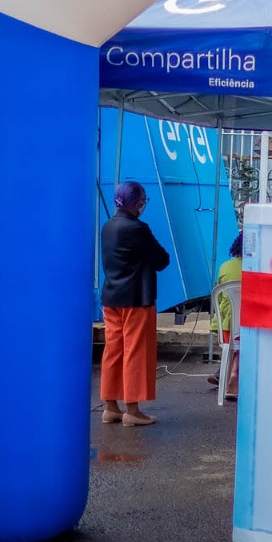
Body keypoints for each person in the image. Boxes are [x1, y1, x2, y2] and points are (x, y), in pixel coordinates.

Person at [100, 180, 170, 427]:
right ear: (138, 203)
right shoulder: (139, 229)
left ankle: (110, 407)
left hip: (111, 297)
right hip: (136, 299)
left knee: (113, 350)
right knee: (135, 352)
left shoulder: (107, 227)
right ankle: (133, 410)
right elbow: (162, 260)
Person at [207, 233, 243, 396]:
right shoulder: (259, 268)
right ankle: (235, 372)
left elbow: (221, 298)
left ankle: (224, 374)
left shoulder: (225, 267)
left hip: (226, 324)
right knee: (245, 345)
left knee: (230, 348)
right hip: (248, 326)